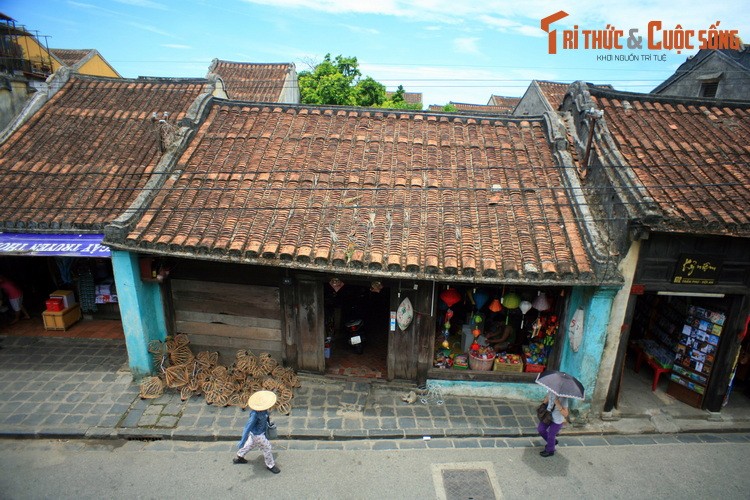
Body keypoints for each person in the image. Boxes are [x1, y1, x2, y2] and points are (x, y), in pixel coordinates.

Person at [233, 390, 280, 474]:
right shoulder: (254, 415)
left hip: (256, 434)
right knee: (267, 448)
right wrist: (242, 441)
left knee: (250, 444)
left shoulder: (264, 411)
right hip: (258, 435)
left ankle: (240, 456)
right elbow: (247, 428)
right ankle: (270, 465)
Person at [537, 390, 569, 457]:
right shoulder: (551, 390)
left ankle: (550, 450)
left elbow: (565, 414)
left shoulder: (564, 398)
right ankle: (552, 442)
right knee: (541, 429)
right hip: (548, 416)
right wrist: (543, 404)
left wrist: (558, 404)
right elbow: (548, 397)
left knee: (551, 435)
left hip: (557, 420)